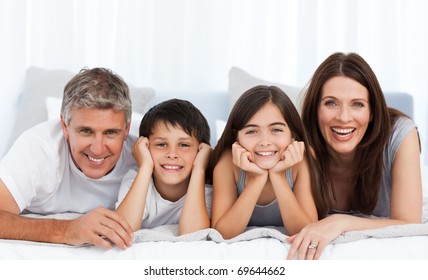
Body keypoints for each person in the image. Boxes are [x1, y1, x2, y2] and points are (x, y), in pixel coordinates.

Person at [287, 52, 423, 260]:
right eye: (331, 103)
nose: (343, 117)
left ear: (372, 113)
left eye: (357, 104)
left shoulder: (401, 134)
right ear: (315, 109)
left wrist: (341, 222)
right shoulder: (298, 144)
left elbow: (408, 222)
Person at [0, 67, 138, 249]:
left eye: (111, 132)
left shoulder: (143, 156)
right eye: (86, 131)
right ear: (65, 126)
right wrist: (67, 230)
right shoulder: (38, 148)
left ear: (127, 129)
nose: (97, 149)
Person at [208, 85, 319, 239]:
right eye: (252, 131)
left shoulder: (300, 161)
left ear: (292, 134)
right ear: (236, 137)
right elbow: (223, 233)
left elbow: (307, 231)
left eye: (276, 130)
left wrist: (278, 177)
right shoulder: (227, 163)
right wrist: (257, 179)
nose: (265, 142)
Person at [115, 99, 212, 235]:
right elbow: (122, 229)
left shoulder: (206, 189)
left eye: (184, 145)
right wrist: (145, 166)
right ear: (145, 147)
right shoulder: (136, 179)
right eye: (161, 144)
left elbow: (193, 235)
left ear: (201, 150)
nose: (172, 154)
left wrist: (199, 168)